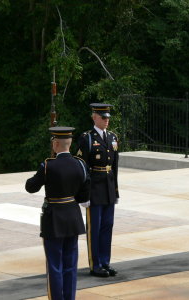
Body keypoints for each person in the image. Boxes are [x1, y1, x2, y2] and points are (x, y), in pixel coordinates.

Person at [25, 126, 90, 300]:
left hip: (54, 220)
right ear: (69, 144)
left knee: (55, 266)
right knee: (70, 265)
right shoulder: (80, 164)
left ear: (55, 143)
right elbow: (84, 195)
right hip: (73, 218)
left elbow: (30, 187)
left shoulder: (48, 165)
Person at [76, 103, 119, 278]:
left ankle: (105, 262)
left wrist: (115, 191)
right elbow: (81, 167)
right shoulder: (86, 138)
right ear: (94, 117)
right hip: (94, 188)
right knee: (95, 228)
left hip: (108, 188)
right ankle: (95, 265)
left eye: (108, 117)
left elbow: (115, 166)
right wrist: (84, 194)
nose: (106, 120)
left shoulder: (113, 137)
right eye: (103, 117)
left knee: (107, 226)